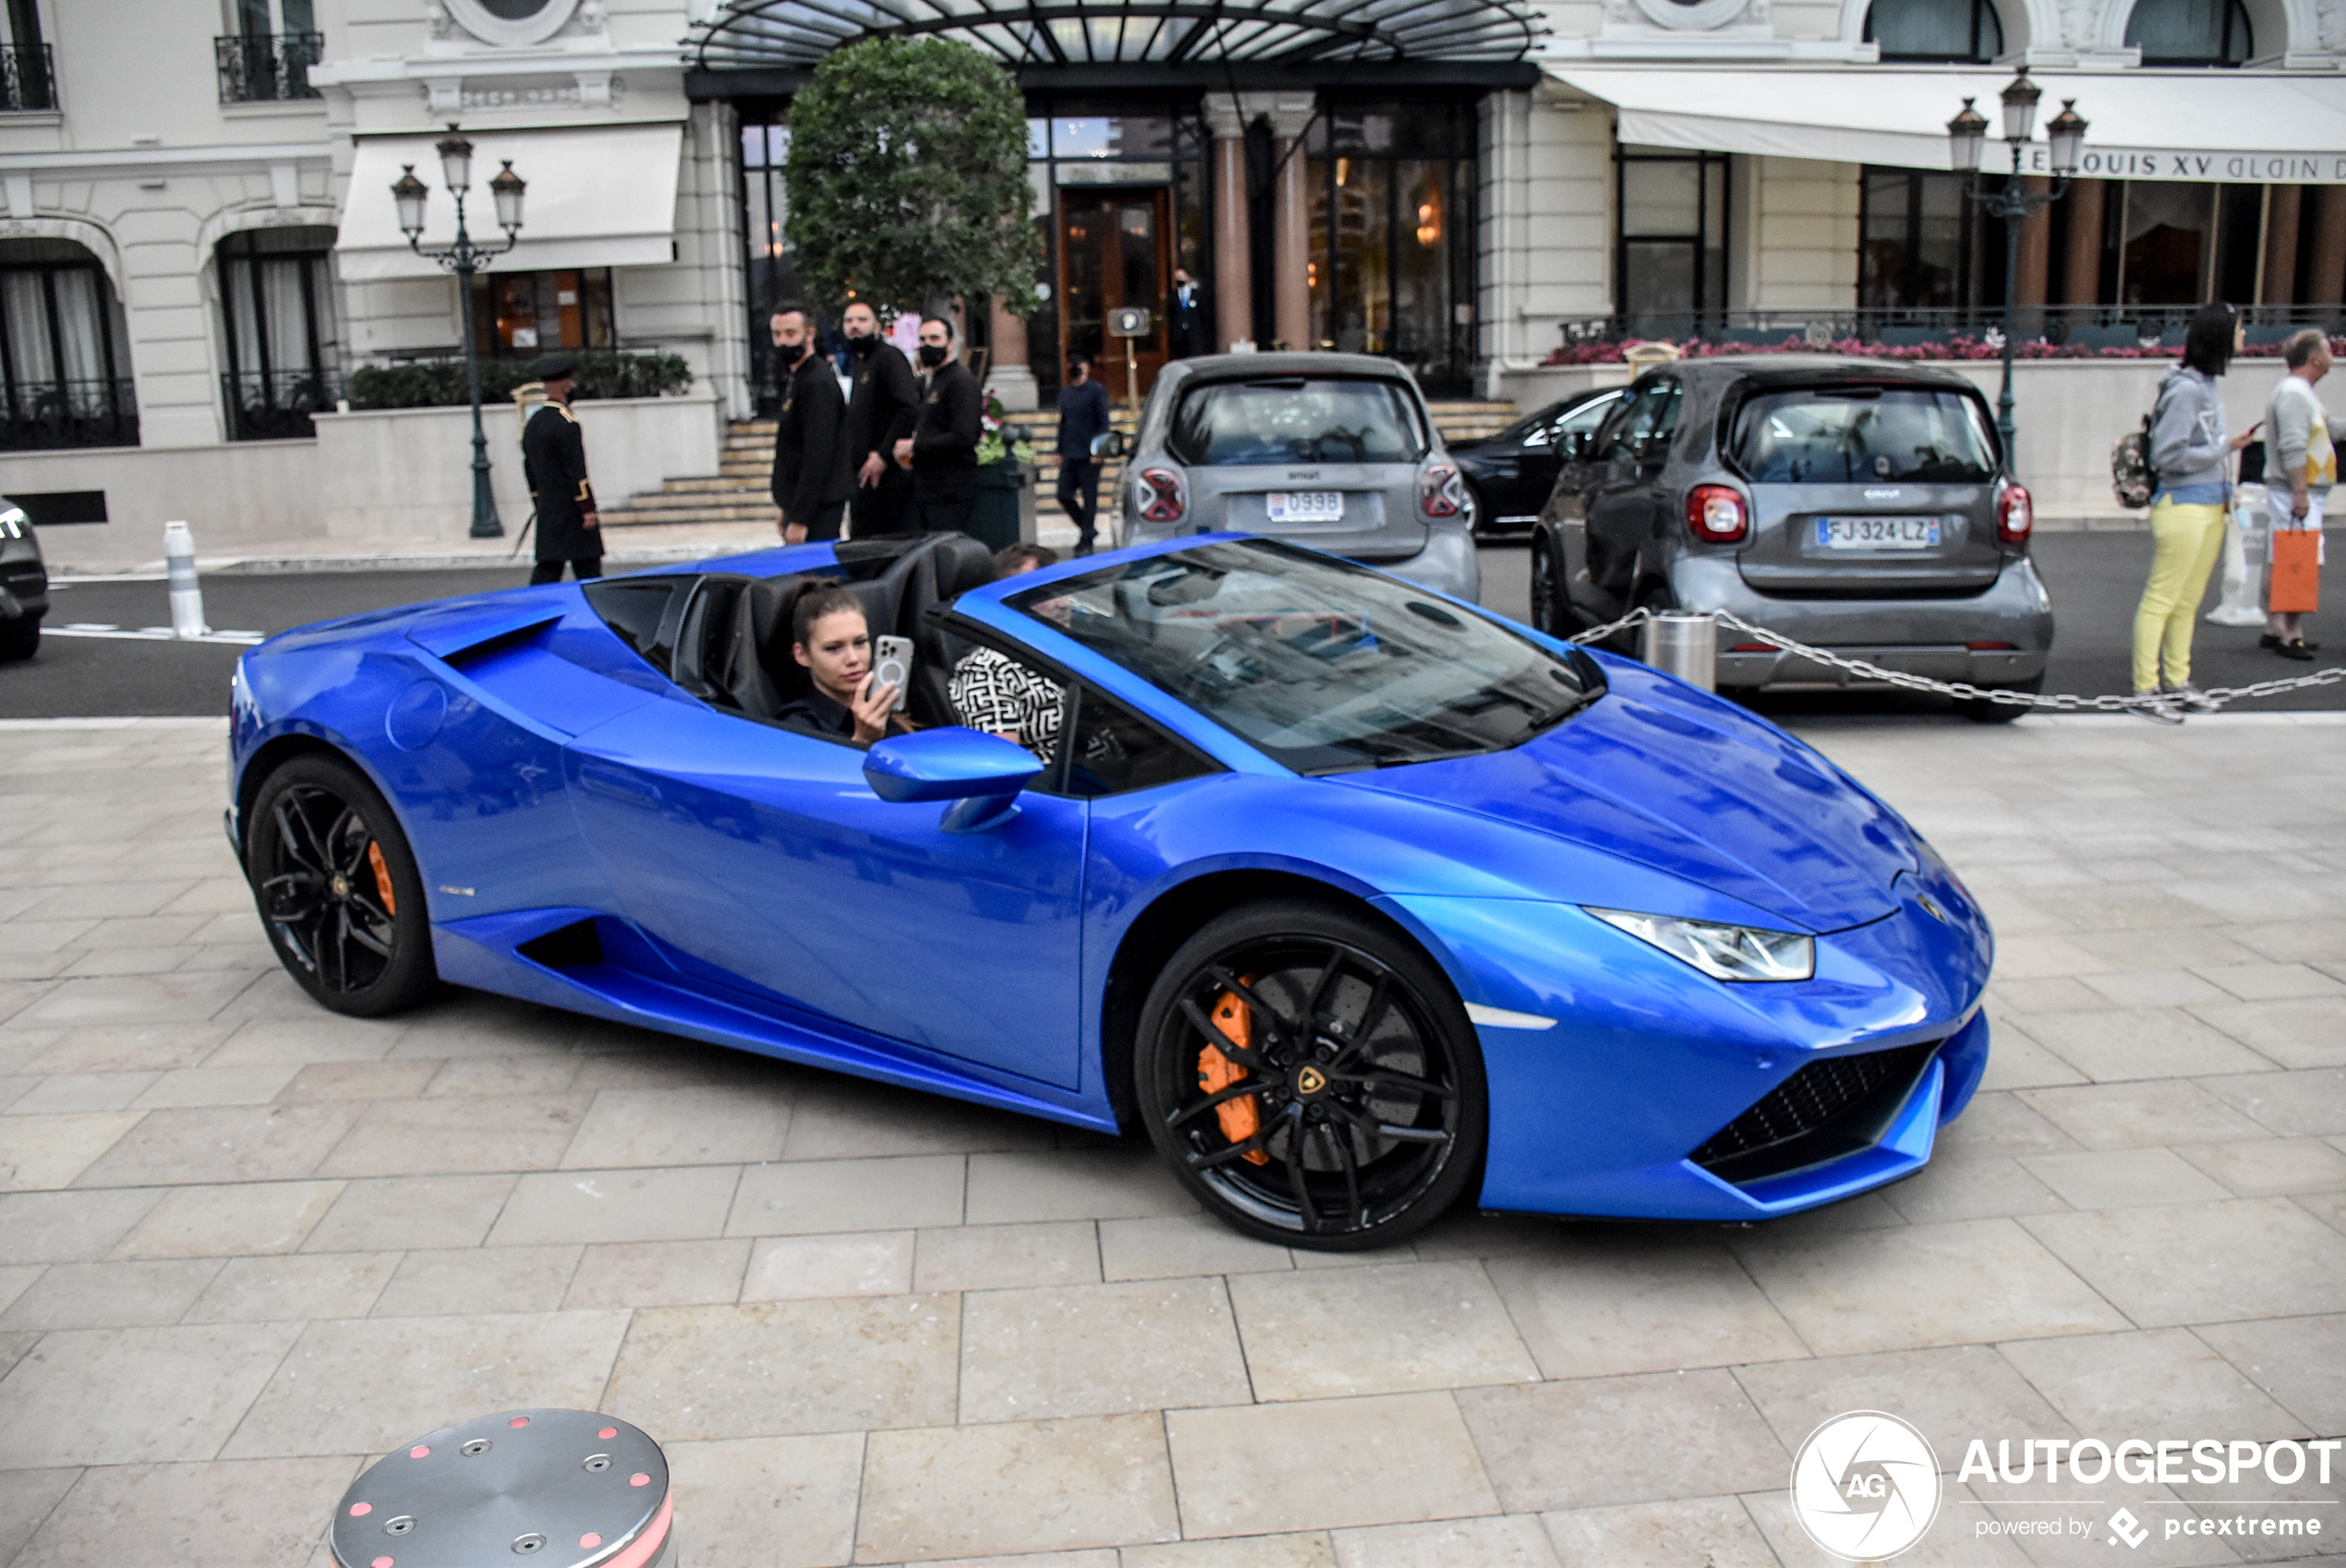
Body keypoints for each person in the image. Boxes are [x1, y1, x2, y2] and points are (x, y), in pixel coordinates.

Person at [2130, 301, 2260, 724]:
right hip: (2183, 504)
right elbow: (2169, 455)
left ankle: (2176, 681)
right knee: (2163, 598)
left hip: (2206, 503)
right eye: (2239, 330)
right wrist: (2226, 449)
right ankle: (2146, 689)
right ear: (2220, 337)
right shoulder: (2187, 389)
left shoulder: (2202, 385)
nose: (2244, 338)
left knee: (2185, 601)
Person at [949, 544, 1064, 757]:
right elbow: (1005, 764)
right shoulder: (987, 671)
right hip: (1067, 783)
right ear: (1008, 602)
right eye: (1046, 592)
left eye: (1064, 588)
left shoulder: (1075, 648)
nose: (1063, 602)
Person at [2263, 327, 2333, 660]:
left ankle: (2274, 626)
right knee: (2300, 560)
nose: (2332, 355)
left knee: (2281, 556)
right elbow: (2293, 445)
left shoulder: (2297, 391)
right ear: (2315, 357)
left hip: (2288, 490)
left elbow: (2324, 427)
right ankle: (2291, 633)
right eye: (2328, 350)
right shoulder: (2295, 393)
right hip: (2295, 492)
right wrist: (2301, 493)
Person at [775, 585, 903, 746]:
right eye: (833, 648)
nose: (853, 659)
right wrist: (862, 739)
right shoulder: (797, 728)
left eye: (860, 642)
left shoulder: (886, 704)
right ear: (802, 655)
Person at [769, 303, 853, 544]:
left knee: (816, 579)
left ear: (809, 334)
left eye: (790, 333)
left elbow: (818, 456)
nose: (783, 342)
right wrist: (788, 509)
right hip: (801, 504)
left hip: (819, 507)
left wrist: (800, 519)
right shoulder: (799, 379)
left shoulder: (817, 383)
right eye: (777, 334)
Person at [894, 315, 984, 535]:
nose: (927, 345)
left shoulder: (960, 381)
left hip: (950, 490)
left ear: (950, 343)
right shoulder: (934, 381)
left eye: (935, 338)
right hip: (929, 487)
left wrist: (915, 447)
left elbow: (965, 435)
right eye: (922, 339)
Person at [841, 300, 920, 537]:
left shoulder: (889, 358)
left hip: (885, 474)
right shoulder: (860, 362)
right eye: (849, 321)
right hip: (861, 471)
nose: (855, 326)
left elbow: (908, 407)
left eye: (862, 320)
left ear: (876, 327)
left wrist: (883, 454)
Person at [522, 354, 600, 585]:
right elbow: (577, 470)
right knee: (589, 571)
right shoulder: (567, 423)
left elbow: (529, 468)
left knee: (548, 568)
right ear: (564, 385)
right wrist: (586, 507)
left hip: (549, 508)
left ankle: (533, 611)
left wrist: (539, 501)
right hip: (571, 510)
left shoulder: (534, 423)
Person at [1055, 352, 1113, 554]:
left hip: (1090, 455)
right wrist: (1059, 449)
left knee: (1090, 498)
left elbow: (1104, 422)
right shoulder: (1066, 393)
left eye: (1080, 364)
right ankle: (1088, 529)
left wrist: (1099, 450)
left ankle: (1086, 540)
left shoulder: (1096, 391)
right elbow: (1064, 423)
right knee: (1063, 494)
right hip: (1071, 453)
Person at [1167, 266, 1206, 359]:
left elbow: (1204, 314)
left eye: (1182, 276)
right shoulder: (1173, 296)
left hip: (1195, 336)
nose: (1180, 279)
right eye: (1177, 277)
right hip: (1179, 337)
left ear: (1188, 277)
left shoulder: (1197, 295)